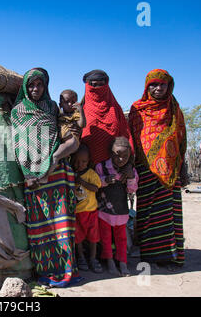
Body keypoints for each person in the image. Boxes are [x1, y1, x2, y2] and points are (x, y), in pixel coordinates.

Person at [11, 68, 82, 287]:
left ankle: (67, 270)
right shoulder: (18, 111)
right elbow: (18, 143)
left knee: (62, 223)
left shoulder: (52, 107)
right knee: (40, 226)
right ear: (25, 86)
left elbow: (65, 131)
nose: (35, 89)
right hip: (33, 177)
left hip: (57, 171)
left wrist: (56, 156)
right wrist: (28, 173)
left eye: (39, 84)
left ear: (46, 85)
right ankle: (46, 271)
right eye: (31, 85)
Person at [128, 69, 187, 271]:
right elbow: (133, 140)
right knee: (147, 213)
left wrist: (182, 168)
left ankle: (170, 255)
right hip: (145, 170)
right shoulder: (137, 109)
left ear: (169, 86)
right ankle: (150, 255)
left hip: (170, 172)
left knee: (168, 214)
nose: (158, 88)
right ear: (146, 86)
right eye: (153, 84)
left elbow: (180, 139)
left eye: (162, 84)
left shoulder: (174, 108)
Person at [95, 137, 138, 276]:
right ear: (111, 153)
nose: (121, 159)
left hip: (121, 211)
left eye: (125, 156)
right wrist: (105, 181)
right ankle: (110, 262)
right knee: (106, 238)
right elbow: (95, 184)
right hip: (104, 211)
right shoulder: (101, 167)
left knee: (121, 239)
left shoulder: (130, 170)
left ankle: (123, 262)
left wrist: (130, 177)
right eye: (117, 155)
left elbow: (132, 190)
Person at [80, 70, 134, 166]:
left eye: (101, 85)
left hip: (113, 167)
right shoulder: (81, 110)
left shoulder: (115, 109)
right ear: (88, 86)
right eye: (94, 85)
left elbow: (125, 134)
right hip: (86, 166)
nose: (98, 88)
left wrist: (128, 163)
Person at [39, 89, 86, 183]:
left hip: (72, 141)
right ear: (60, 104)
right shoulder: (59, 115)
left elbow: (82, 124)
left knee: (55, 156)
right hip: (64, 141)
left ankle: (43, 177)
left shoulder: (75, 115)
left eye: (73, 102)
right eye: (66, 102)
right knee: (52, 154)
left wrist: (81, 111)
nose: (70, 104)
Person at [71, 144, 103, 273]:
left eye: (84, 161)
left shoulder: (91, 174)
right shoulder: (71, 174)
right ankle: (81, 258)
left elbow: (96, 188)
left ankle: (93, 258)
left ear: (88, 161)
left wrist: (82, 182)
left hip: (91, 211)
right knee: (78, 237)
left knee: (93, 237)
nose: (80, 164)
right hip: (77, 212)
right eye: (77, 161)